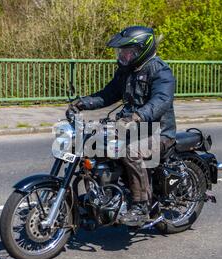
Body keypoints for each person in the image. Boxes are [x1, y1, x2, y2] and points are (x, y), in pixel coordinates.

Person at [67, 26, 177, 224]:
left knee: (129, 151)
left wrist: (137, 116)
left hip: (159, 132)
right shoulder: (126, 71)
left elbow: (161, 100)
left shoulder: (160, 71)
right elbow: (108, 94)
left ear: (142, 49)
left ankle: (141, 205)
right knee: (92, 145)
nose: (123, 55)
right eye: (122, 51)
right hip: (130, 129)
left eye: (128, 51)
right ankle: (102, 195)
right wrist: (83, 102)